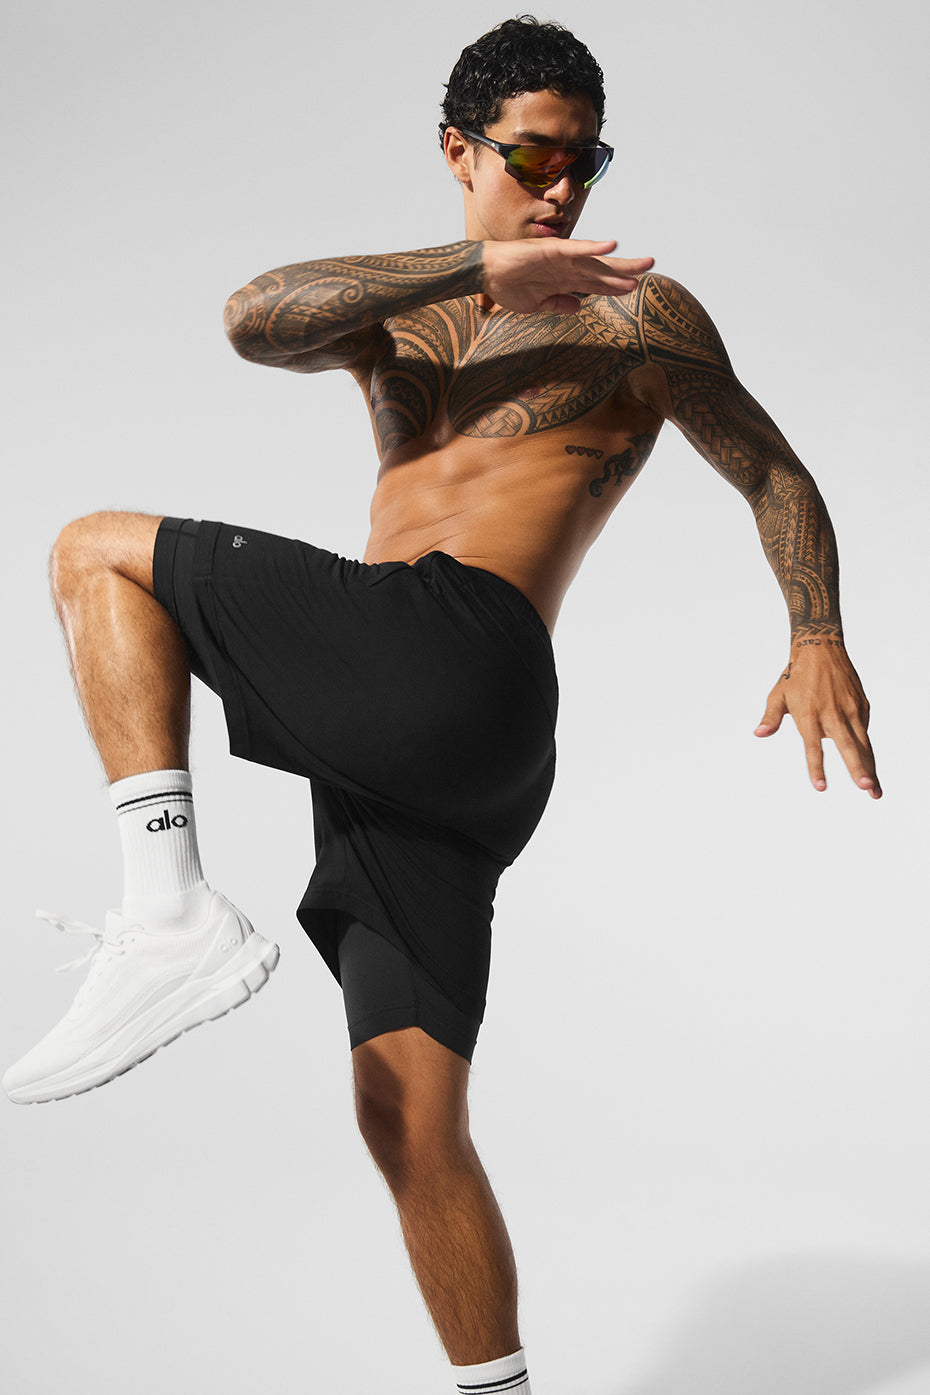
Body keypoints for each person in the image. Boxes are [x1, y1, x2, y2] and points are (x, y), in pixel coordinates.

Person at [4, 15, 881, 1393]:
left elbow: (769, 468)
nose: (563, 187)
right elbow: (252, 315)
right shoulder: (406, 313)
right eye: (534, 155)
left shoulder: (636, 314)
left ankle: (166, 912)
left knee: (90, 552)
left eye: (585, 160)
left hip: (466, 652)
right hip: (430, 748)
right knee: (407, 1118)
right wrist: (482, 262)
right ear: (460, 151)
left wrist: (815, 632)